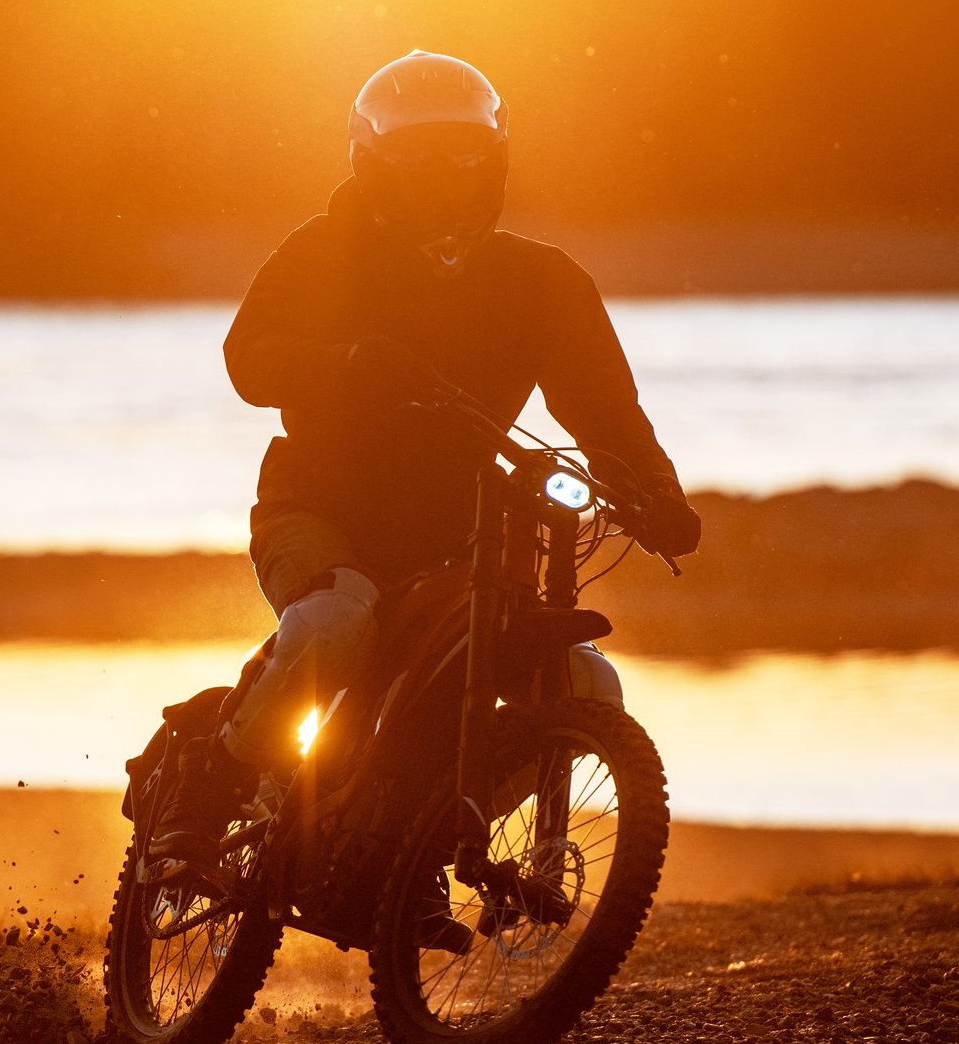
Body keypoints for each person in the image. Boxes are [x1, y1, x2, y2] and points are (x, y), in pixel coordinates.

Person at [152, 50, 700, 866]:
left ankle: (419, 844)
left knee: (588, 688)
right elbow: (247, 358)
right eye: (412, 161)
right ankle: (211, 783)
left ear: (495, 161)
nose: (441, 178)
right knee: (336, 622)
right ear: (372, 164)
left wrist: (655, 492)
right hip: (325, 510)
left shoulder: (543, 281)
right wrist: (345, 365)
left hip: (474, 529)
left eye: (462, 157)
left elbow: (603, 407)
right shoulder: (323, 251)